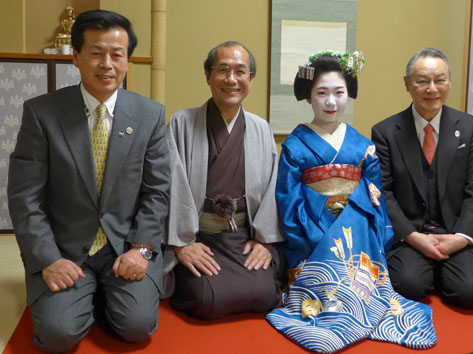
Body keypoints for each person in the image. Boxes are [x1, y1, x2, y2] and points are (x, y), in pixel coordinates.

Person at [8, 10, 170, 352]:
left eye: (117, 54)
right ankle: (84, 296)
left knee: (137, 327)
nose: (107, 64)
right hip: (64, 250)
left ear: (128, 60)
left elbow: (157, 192)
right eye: (96, 53)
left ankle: (100, 298)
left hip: (125, 247)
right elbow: (25, 198)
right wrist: (48, 258)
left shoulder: (150, 115)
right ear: (76, 57)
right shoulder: (42, 113)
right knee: (57, 337)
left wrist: (141, 249)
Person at [266, 51, 436, 353]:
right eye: (321, 93)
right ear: (308, 97)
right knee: (324, 294)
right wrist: (321, 239)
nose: (331, 102)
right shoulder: (294, 146)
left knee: (361, 287)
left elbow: (375, 198)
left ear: (349, 95)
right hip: (311, 237)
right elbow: (289, 202)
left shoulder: (363, 145)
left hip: (358, 240)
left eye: (339, 93)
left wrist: (368, 237)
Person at [164, 41, 283, 320]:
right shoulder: (181, 122)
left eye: (240, 72)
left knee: (266, 294)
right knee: (207, 299)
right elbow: (173, 185)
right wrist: (182, 244)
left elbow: (271, 189)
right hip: (197, 235)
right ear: (208, 76)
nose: (231, 80)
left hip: (241, 235)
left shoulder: (260, 128)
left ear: (250, 79)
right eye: (223, 70)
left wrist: (264, 241)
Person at [371, 48, 473, 309]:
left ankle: (444, 271)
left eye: (440, 80)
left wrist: (460, 237)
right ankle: (432, 271)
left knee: (472, 293)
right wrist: (413, 237)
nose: (432, 89)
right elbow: (384, 192)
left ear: (449, 82)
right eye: (422, 81)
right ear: (407, 84)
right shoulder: (385, 132)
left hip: (458, 232)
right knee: (407, 285)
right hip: (412, 235)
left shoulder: (471, 128)